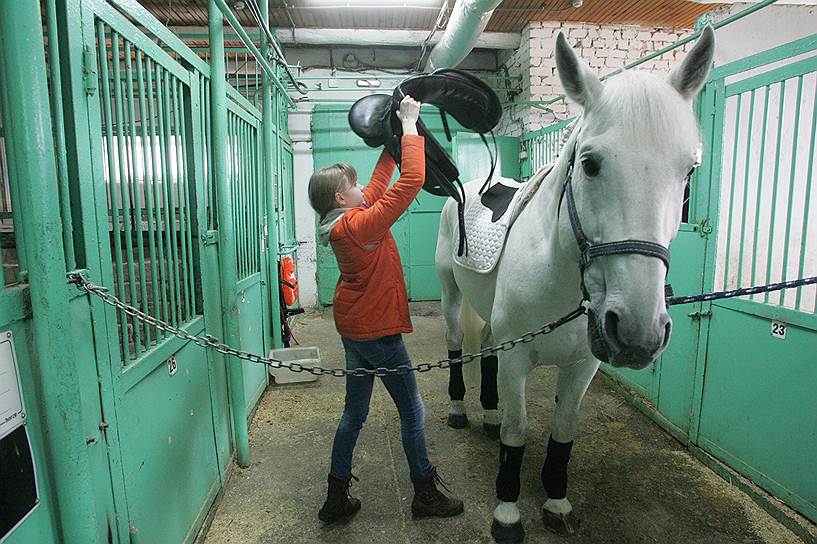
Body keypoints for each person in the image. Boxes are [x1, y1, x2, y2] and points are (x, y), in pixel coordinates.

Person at [308, 95, 464, 526]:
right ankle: (425, 494)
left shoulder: (344, 219)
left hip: (355, 328)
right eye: (353, 185)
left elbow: (378, 185)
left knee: (354, 415)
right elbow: (411, 181)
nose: (363, 189)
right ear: (342, 195)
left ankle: (335, 498)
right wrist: (412, 125)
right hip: (377, 331)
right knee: (412, 410)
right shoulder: (361, 225)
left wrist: (392, 140)